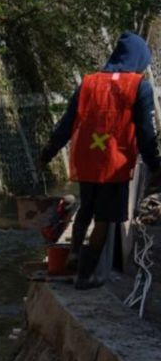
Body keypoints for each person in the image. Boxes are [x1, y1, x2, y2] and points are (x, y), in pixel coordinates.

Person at [38, 32, 161, 289]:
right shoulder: (139, 86)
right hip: (115, 162)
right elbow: (146, 132)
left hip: (86, 158)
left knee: (86, 208)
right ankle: (87, 275)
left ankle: (74, 254)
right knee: (104, 218)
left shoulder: (88, 82)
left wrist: (48, 152)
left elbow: (67, 123)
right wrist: (155, 164)